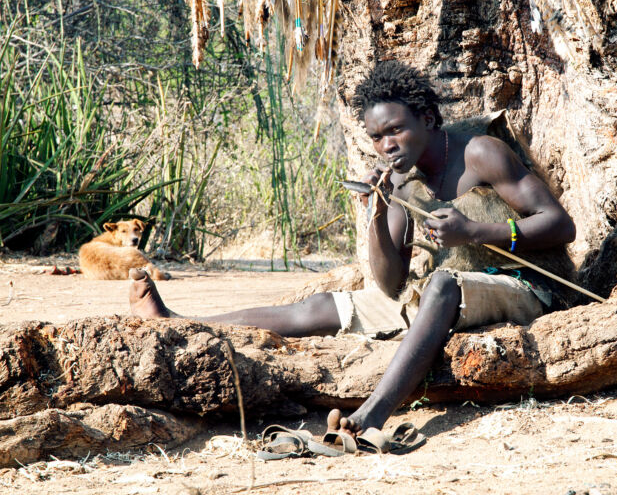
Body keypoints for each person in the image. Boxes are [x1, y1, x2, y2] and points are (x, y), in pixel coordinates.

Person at [129, 61, 575, 438]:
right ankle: (179, 323)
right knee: (319, 307)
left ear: (426, 118)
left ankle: (373, 415)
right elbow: (392, 283)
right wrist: (377, 214)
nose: (387, 145)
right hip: (451, 294)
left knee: (440, 284)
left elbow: (560, 225)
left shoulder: (480, 152)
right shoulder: (401, 181)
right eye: (377, 137)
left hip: (527, 288)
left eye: (396, 130)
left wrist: (476, 231)